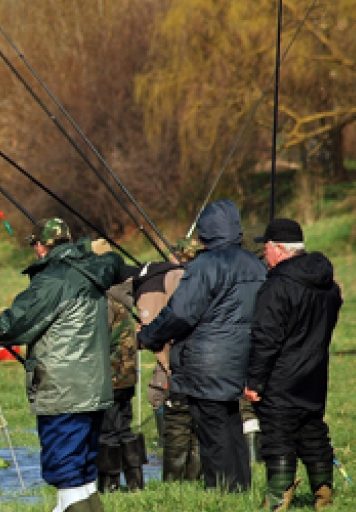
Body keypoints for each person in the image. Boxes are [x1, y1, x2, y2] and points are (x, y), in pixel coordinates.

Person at [0, 219, 128, 512]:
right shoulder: (90, 272)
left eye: (34, 245)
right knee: (83, 459)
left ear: (41, 245)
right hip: (92, 385)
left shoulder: (53, 280)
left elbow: (16, 322)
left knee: (64, 459)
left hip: (63, 387)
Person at [138, 200, 265, 492]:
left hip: (206, 362)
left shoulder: (204, 266)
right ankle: (239, 486)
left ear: (206, 231)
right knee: (232, 423)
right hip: (243, 359)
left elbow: (180, 313)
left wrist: (150, 336)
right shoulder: (255, 265)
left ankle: (221, 490)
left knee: (212, 430)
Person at [243, 218, 343, 511]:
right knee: (312, 430)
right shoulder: (328, 285)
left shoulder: (277, 287)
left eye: (266, 249)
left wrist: (254, 382)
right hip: (314, 373)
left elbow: (266, 338)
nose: (265, 256)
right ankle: (323, 495)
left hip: (281, 376)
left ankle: (277, 500)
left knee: (277, 435)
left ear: (278, 249)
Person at [134, 238, 202, 482]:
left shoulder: (166, 282)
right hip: (203, 360)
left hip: (182, 361)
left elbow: (169, 324)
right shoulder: (199, 277)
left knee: (176, 410)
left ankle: (176, 475)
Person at [90, 239, 146, 492]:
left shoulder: (105, 299)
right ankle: (136, 482)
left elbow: (97, 338)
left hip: (109, 375)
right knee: (124, 427)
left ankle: (109, 484)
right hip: (127, 373)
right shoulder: (123, 291)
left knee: (107, 430)